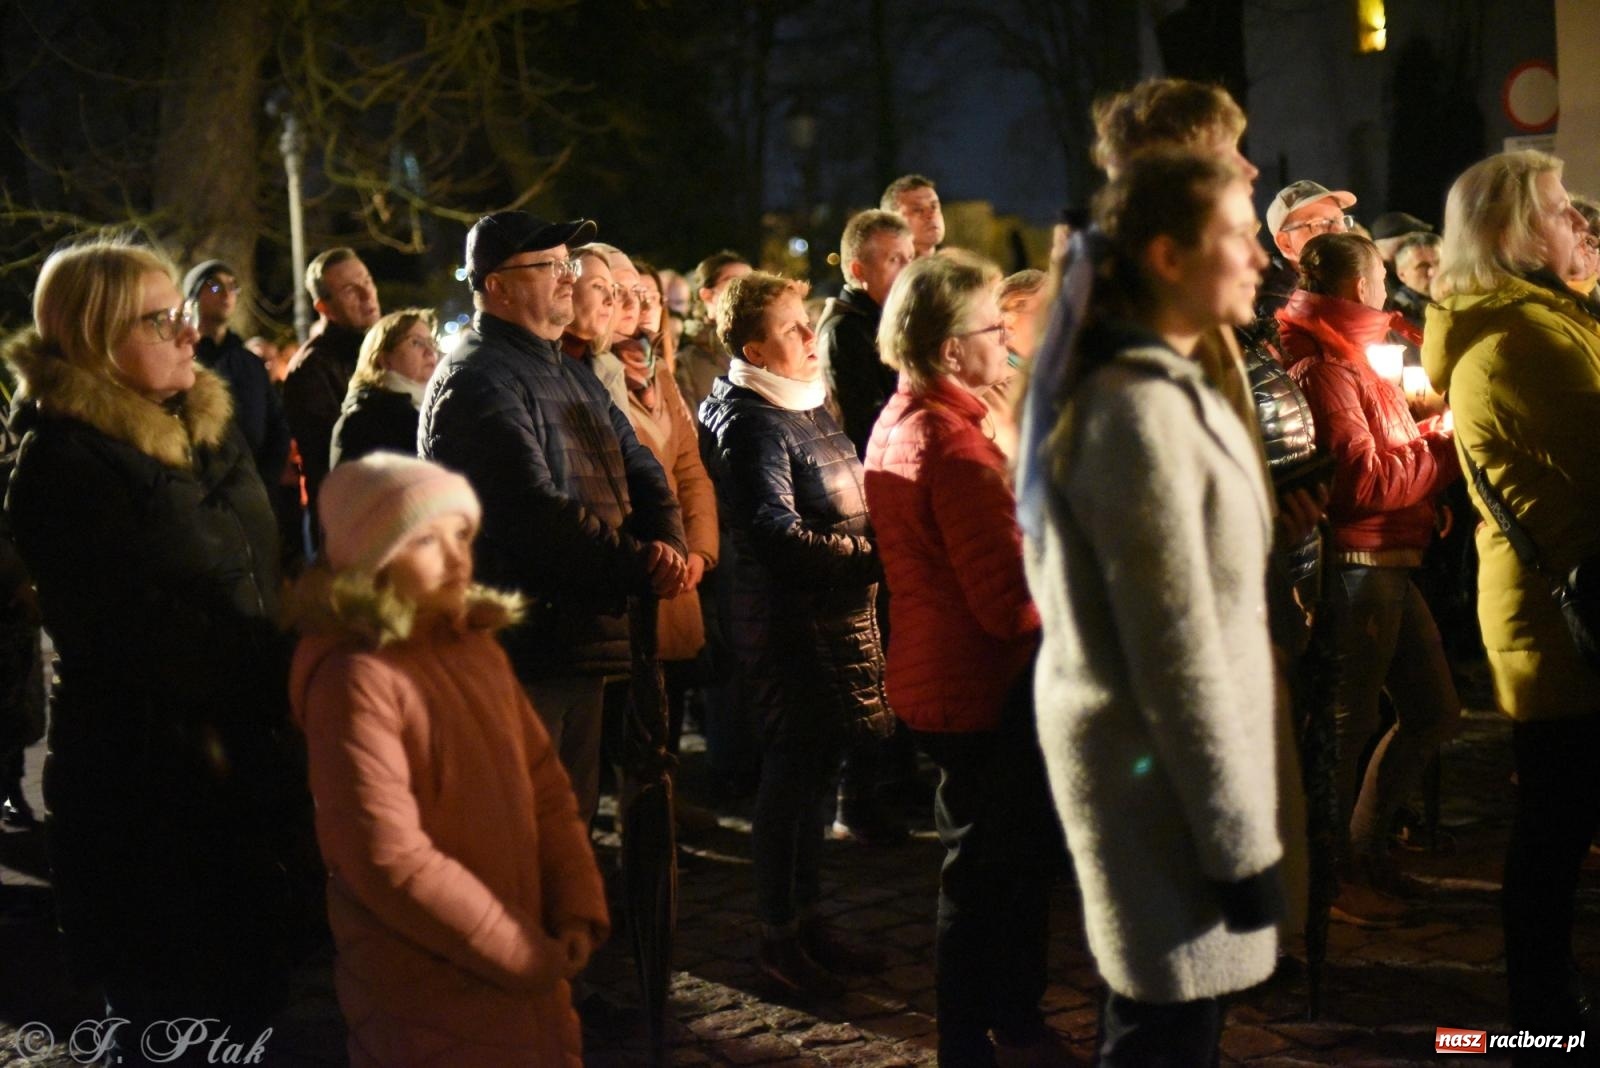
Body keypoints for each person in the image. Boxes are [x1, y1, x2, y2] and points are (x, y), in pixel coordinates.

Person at [2, 239, 320, 1053]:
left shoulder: (207, 423)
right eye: (161, 319)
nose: (188, 334)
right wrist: (298, 668)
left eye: (182, 315)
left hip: (245, 760)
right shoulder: (60, 463)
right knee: (172, 1011)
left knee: (255, 1001)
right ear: (94, 336)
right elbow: (142, 635)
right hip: (145, 786)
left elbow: (262, 562)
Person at [1027, 151, 1284, 1066]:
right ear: (1169, 257)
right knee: (1160, 1038)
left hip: (1175, 784)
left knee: (1176, 1032)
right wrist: (1239, 844)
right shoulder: (1132, 412)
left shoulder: (1166, 388)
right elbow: (1173, 652)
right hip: (1162, 792)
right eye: (1240, 237)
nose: (1261, 257)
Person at [287, 454, 608, 1067]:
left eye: (461, 534)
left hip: (526, 971)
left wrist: (573, 899)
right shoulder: (358, 678)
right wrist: (517, 951)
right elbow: (386, 857)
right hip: (425, 991)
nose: (457, 557)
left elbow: (544, 783)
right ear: (372, 562)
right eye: (425, 540)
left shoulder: (473, 646)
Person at [419, 212, 686, 830]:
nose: (568, 278)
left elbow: (642, 466)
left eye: (568, 265)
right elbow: (528, 511)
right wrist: (637, 561)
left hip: (580, 636)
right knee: (522, 834)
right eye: (549, 267)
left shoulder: (570, 371)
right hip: (522, 644)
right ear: (496, 286)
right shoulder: (476, 379)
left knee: (569, 825)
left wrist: (666, 539)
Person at [1421, 150, 1600, 1052]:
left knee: (1559, 820)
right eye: (1564, 210)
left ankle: (1549, 1006)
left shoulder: (1547, 319)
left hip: (1561, 607)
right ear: (1514, 233)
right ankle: (1546, 1017)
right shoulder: (1522, 339)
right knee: (1556, 825)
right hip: (1565, 619)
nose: (1582, 224)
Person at [865, 251, 1063, 1065]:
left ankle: (1003, 1019)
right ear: (951, 349)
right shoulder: (950, 446)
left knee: (994, 867)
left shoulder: (918, 420)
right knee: (989, 876)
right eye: (993, 330)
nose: (1008, 346)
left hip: (948, 674)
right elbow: (1007, 603)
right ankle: (973, 1035)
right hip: (982, 685)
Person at [698, 272, 894, 998]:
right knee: (790, 781)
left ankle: (809, 918)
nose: (812, 339)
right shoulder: (751, 419)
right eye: (794, 329)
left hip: (832, 617)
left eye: (809, 324)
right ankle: (777, 936)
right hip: (788, 625)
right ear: (754, 347)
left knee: (816, 779)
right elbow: (777, 535)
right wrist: (873, 555)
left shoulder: (804, 402)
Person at [1276, 231, 1462, 923]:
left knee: (1434, 711)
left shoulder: (1354, 353)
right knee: (1346, 725)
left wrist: (1429, 449)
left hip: (1389, 556)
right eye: (1381, 273)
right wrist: (1445, 451)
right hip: (1357, 566)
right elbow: (1360, 482)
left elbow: (1390, 453)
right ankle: (1328, 879)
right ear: (1358, 287)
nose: (1387, 285)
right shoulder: (1324, 366)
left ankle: (1364, 850)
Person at [284, 248, 382, 546]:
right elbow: (330, 460)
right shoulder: (312, 369)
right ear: (324, 306)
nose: (367, 295)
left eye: (367, 280)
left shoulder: (385, 349)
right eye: (350, 290)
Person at [185, 260, 293, 488]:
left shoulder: (250, 363)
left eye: (233, 286)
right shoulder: (183, 360)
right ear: (192, 297)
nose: (226, 294)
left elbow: (277, 423)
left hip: (253, 485)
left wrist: (266, 478)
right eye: (214, 286)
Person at [820, 210, 916, 457]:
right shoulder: (844, 331)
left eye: (911, 258)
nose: (909, 270)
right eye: (894, 260)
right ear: (859, 270)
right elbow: (865, 426)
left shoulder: (889, 319)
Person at [329, 308, 439, 466]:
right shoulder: (364, 420)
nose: (430, 351)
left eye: (431, 342)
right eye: (416, 343)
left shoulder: (430, 407)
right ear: (384, 359)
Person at [1260, 180, 1358, 315]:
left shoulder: (1349, 281)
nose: (1339, 231)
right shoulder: (1278, 307)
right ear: (1285, 243)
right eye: (1318, 224)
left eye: (1340, 220)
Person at [675, 250, 751, 417]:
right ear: (707, 294)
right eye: (734, 282)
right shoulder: (688, 361)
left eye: (751, 281)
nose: (745, 289)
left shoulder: (764, 346)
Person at [882, 174, 946, 258]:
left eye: (934, 207)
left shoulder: (956, 268)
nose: (931, 214)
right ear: (891, 222)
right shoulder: (874, 270)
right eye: (918, 209)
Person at [1390, 232, 1442, 331]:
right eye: (1422, 266)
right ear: (1402, 275)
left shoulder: (1460, 299)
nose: (1432, 272)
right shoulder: (1400, 317)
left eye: (1438, 263)